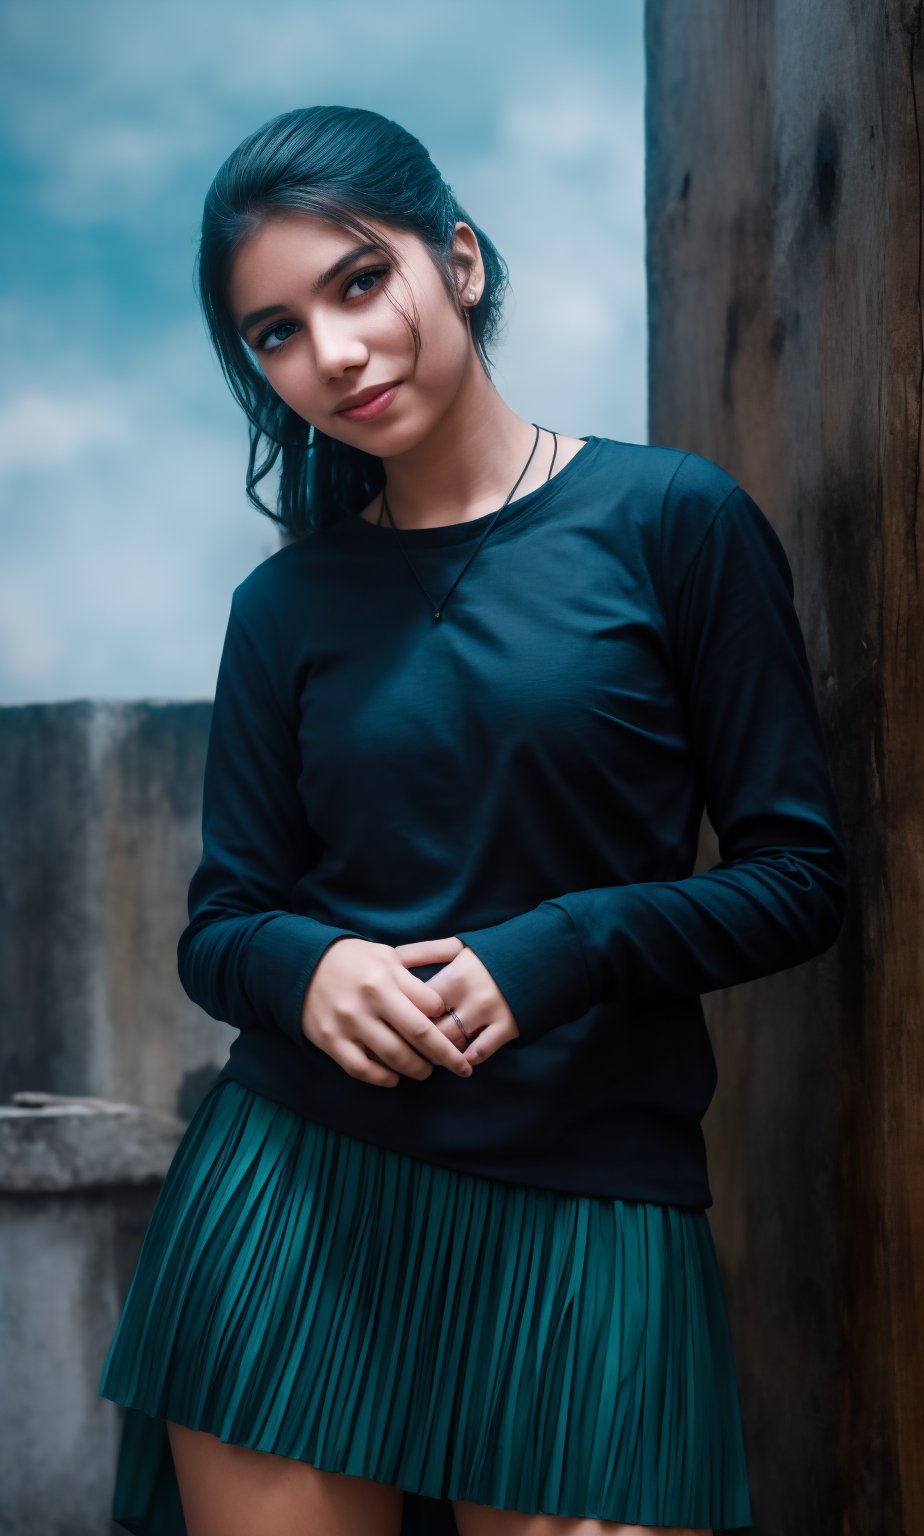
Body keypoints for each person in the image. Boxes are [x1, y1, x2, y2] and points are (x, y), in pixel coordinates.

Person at [97, 104, 847, 1536]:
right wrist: (308, 969)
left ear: (460, 261)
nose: (333, 353)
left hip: (589, 1205)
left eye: (359, 281)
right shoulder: (284, 608)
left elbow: (800, 877)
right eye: (274, 332)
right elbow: (224, 924)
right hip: (296, 1209)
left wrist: (561, 949)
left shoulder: (673, 523)